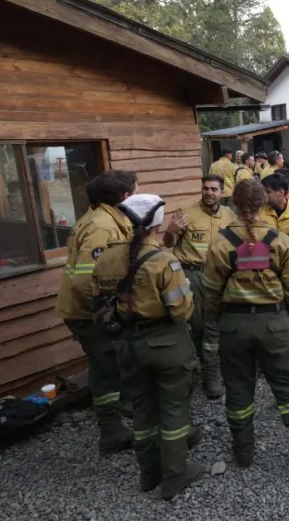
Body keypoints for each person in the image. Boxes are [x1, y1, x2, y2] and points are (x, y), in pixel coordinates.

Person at [201, 179, 289, 469]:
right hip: (274, 323)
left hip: (234, 326)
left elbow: (211, 292)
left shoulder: (220, 242)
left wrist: (219, 321)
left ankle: (243, 453)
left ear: (234, 205)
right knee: (288, 389)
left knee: (239, 390)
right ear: (264, 203)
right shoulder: (280, 241)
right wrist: (287, 321)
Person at [91, 193, 202, 499]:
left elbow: (97, 298)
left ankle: (148, 473)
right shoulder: (165, 261)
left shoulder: (106, 258)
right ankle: (175, 474)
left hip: (127, 344)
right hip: (166, 343)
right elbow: (181, 310)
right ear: (157, 223)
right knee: (173, 409)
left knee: (142, 410)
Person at [55, 170, 138, 454]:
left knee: (114, 360)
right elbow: (84, 281)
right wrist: (108, 315)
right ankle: (111, 431)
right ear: (124, 197)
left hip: (91, 311)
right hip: (89, 314)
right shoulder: (103, 228)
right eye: (134, 192)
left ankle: (124, 408)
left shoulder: (105, 218)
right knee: (105, 368)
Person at [162, 175, 235, 399]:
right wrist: (171, 230)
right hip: (193, 274)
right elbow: (168, 243)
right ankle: (204, 372)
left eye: (214, 189)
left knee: (215, 324)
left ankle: (211, 371)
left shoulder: (230, 216)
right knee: (197, 325)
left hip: (220, 275)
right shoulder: (186, 213)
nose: (209, 193)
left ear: (222, 193)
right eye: (205, 188)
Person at [260, 173, 289, 252]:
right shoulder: (259, 211)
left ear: (281, 192)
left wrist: (286, 261)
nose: (263, 195)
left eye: (268, 192)